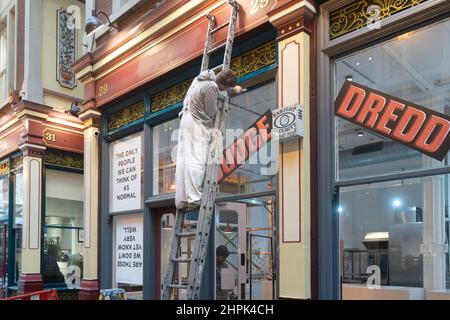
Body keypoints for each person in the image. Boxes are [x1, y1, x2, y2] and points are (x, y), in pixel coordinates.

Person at [175, 69, 243, 210]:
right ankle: (194, 199)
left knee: (183, 161)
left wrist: (229, 92)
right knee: (196, 160)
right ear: (224, 85)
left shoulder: (200, 78)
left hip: (186, 120)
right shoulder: (211, 86)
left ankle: (181, 201)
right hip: (196, 123)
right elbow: (212, 111)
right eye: (227, 87)